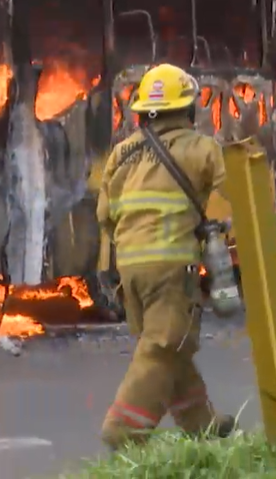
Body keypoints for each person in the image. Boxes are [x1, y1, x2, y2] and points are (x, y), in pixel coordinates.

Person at [95, 63, 236, 450]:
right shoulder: (202, 149)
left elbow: (104, 216)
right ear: (187, 110)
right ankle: (124, 430)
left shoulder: (121, 154)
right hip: (172, 267)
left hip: (130, 269)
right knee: (163, 347)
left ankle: (203, 424)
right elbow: (232, 204)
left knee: (171, 345)